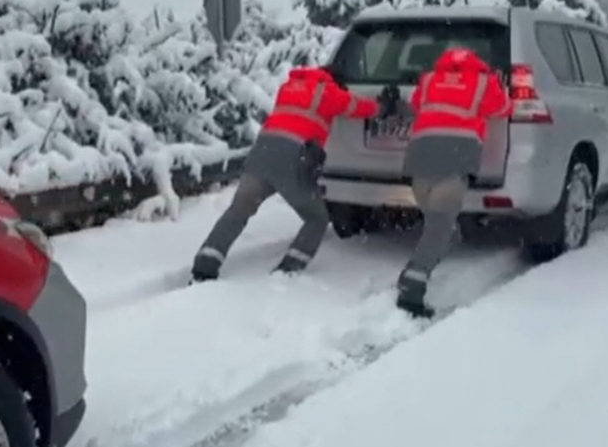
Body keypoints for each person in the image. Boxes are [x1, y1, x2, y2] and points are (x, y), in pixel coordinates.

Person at [191, 66, 378, 282]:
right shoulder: (327, 92)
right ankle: (288, 271)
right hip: (291, 158)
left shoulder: (289, 88)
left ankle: (204, 267)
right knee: (317, 218)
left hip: (261, 153)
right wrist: (383, 107)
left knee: (238, 211)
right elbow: (360, 107)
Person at [396, 46, 512, 317]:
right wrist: (500, 86)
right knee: (439, 228)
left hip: (419, 159)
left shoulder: (429, 80)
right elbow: (503, 109)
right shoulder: (484, 81)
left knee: (446, 230)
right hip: (455, 160)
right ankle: (412, 287)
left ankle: (414, 272)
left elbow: (415, 105)